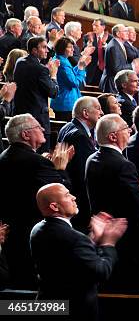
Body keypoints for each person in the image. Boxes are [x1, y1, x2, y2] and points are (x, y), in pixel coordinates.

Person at [30, 183, 127, 321]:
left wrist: (93, 239)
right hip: (76, 311)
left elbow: (69, 256)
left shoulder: (37, 229)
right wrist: (108, 243)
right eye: (67, 195)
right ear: (54, 206)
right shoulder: (74, 238)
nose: (74, 197)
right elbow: (101, 271)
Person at [85, 113, 139, 292]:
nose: (129, 131)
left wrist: (137, 188)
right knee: (127, 284)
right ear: (113, 136)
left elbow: (116, 193)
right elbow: (137, 203)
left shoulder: (92, 159)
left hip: (100, 230)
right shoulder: (124, 165)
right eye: (125, 128)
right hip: (125, 235)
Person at [0, 113, 73, 288]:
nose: (42, 129)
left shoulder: (4, 156)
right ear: (25, 135)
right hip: (32, 231)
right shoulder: (38, 163)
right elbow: (60, 194)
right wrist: (61, 169)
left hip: (10, 231)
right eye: (37, 127)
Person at [57, 96, 102, 231]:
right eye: (98, 109)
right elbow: (84, 174)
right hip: (80, 201)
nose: (101, 112)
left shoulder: (67, 127)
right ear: (85, 113)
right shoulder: (80, 136)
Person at [13, 36, 59, 151]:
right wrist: (53, 75)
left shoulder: (20, 62)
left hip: (20, 114)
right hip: (37, 120)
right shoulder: (41, 69)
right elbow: (53, 92)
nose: (47, 50)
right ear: (34, 50)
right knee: (40, 154)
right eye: (43, 47)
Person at [50, 37, 91, 121]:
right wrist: (81, 69)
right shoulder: (63, 63)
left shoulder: (61, 59)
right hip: (66, 102)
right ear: (62, 48)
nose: (73, 49)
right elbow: (74, 83)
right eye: (70, 47)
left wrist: (79, 66)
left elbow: (71, 75)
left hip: (63, 100)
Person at [99, 24, 139, 93]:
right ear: (118, 34)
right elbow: (117, 68)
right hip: (111, 85)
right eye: (125, 31)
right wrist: (132, 65)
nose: (127, 33)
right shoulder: (114, 46)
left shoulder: (118, 44)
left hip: (114, 84)